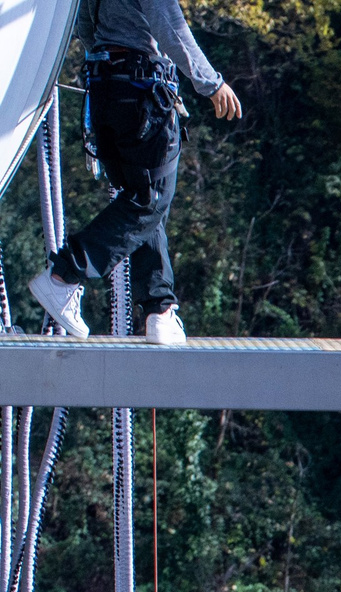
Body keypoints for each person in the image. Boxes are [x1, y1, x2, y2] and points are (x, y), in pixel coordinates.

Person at [25, 0, 242, 346]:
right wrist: (211, 84)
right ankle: (65, 274)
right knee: (149, 202)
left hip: (105, 92)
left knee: (142, 199)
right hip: (142, 93)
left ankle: (159, 311)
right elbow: (171, 27)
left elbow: (83, 23)